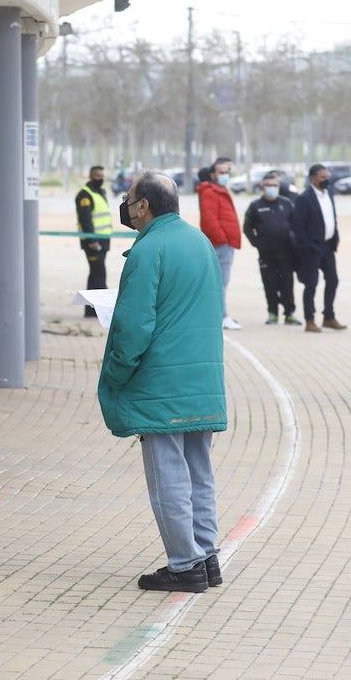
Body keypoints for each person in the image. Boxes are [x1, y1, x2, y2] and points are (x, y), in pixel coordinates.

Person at [98, 172, 227, 593]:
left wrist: (117, 373)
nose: (126, 205)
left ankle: (184, 564)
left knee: (168, 475)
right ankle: (206, 557)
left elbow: (134, 326)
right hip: (202, 378)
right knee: (199, 471)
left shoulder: (147, 249)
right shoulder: (200, 243)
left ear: (143, 207)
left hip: (159, 383)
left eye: (129, 199)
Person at [291, 164, 347, 333]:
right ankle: (310, 319)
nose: (327, 180)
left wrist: (335, 236)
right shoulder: (304, 198)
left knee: (333, 280)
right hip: (312, 248)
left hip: (328, 246)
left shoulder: (328, 193)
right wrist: (306, 246)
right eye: (323, 177)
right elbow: (297, 226)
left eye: (327, 177)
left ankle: (328, 317)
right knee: (311, 284)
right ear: (313, 179)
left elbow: (332, 217)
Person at [242, 172, 301, 325]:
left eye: (275, 186)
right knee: (270, 284)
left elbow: (296, 224)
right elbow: (247, 227)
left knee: (287, 284)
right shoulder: (256, 206)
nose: (272, 188)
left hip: (286, 253)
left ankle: (289, 313)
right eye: (268, 185)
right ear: (262, 187)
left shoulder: (286, 203)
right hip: (266, 253)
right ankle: (272, 312)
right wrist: (256, 243)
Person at [197, 157, 243, 330]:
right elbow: (209, 219)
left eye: (227, 172)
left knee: (221, 281)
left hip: (226, 243)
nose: (225, 175)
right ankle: (221, 316)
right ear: (213, 175)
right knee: (220, 282)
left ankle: (218, 314)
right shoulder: (210, 192)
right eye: (221, 172)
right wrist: (222, 238)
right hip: (221, 244)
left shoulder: (220, 190)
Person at [75, 165, 112, 317]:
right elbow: (85, 219)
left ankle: (91, 311)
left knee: (95, 275)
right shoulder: (85, 194)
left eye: (102, 176)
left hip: (102, 241)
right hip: (93, 243)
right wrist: (91, 240)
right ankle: (101, 309)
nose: (100, 179)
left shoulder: (100, 192)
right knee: (99, 275)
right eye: (97, 176)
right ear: (90, 177)